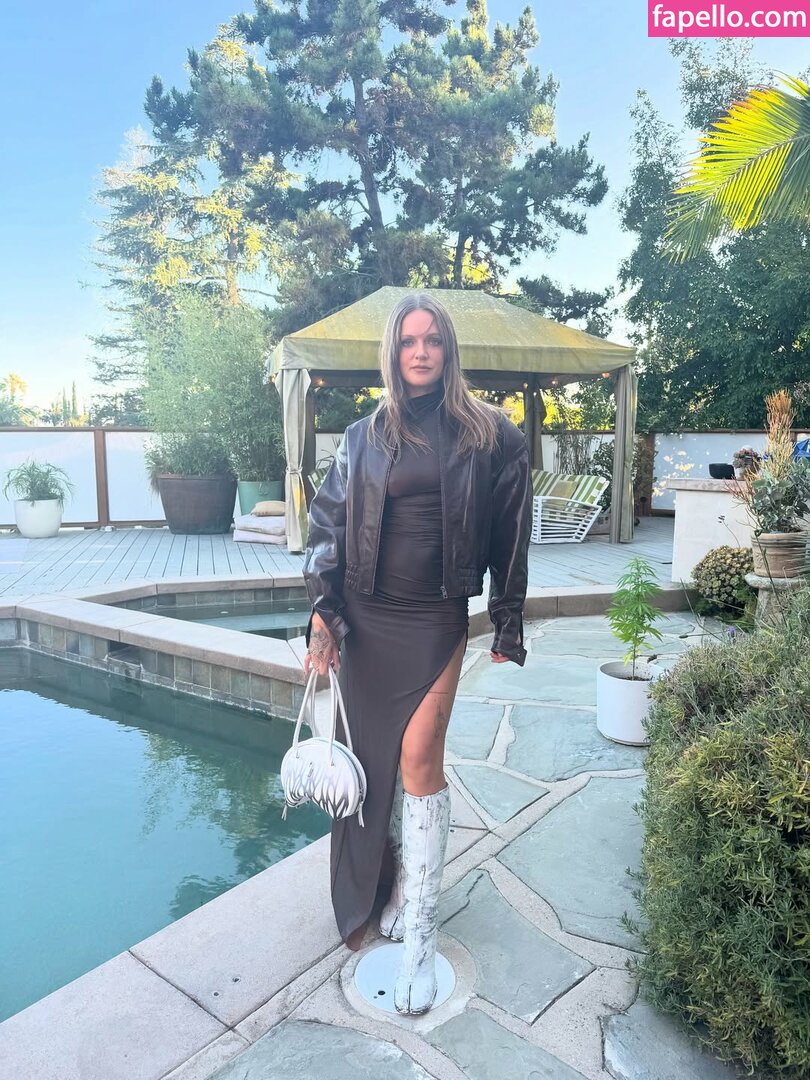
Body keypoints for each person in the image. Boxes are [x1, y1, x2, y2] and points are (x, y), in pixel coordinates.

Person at [302, 292, 530, 1015]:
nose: (421, 351)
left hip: (435, 618)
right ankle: (394, 881)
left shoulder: (491, 434)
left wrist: (508, 618)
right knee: (373, 763)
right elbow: (328, 525)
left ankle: (422, 937)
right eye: (409, 341)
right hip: (367, 618)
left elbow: (513, 531)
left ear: (449, 350)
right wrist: (323, 613)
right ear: (394, 352)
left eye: (433, 340)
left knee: (419, 756)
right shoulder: (364, 435)